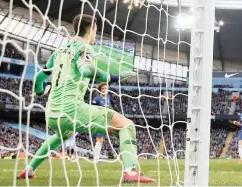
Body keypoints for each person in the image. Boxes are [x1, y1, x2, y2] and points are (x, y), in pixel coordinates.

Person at [17, 14, 155, 183]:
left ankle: (30, 169)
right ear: (90, 30)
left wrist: (40, 92)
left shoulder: (59, 51)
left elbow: (39, 78)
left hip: (52, 114)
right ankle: (131, 172)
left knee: (61, 135)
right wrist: (115, 77)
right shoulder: (84, 48)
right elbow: (87, 71)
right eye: (96, 31)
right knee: (127, 125)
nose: (95, 36)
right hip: (72, 110)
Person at [91, 82, 114, 161]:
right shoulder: (96, 99)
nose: (104, 90)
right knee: (99, 140)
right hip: (98, 121)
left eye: (106, 88)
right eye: (103, 89)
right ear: (99, 90)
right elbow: (92, 110)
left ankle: (96, 158)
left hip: (105, 122)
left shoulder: (108, 97)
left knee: (101, 140)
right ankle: (96, 159)